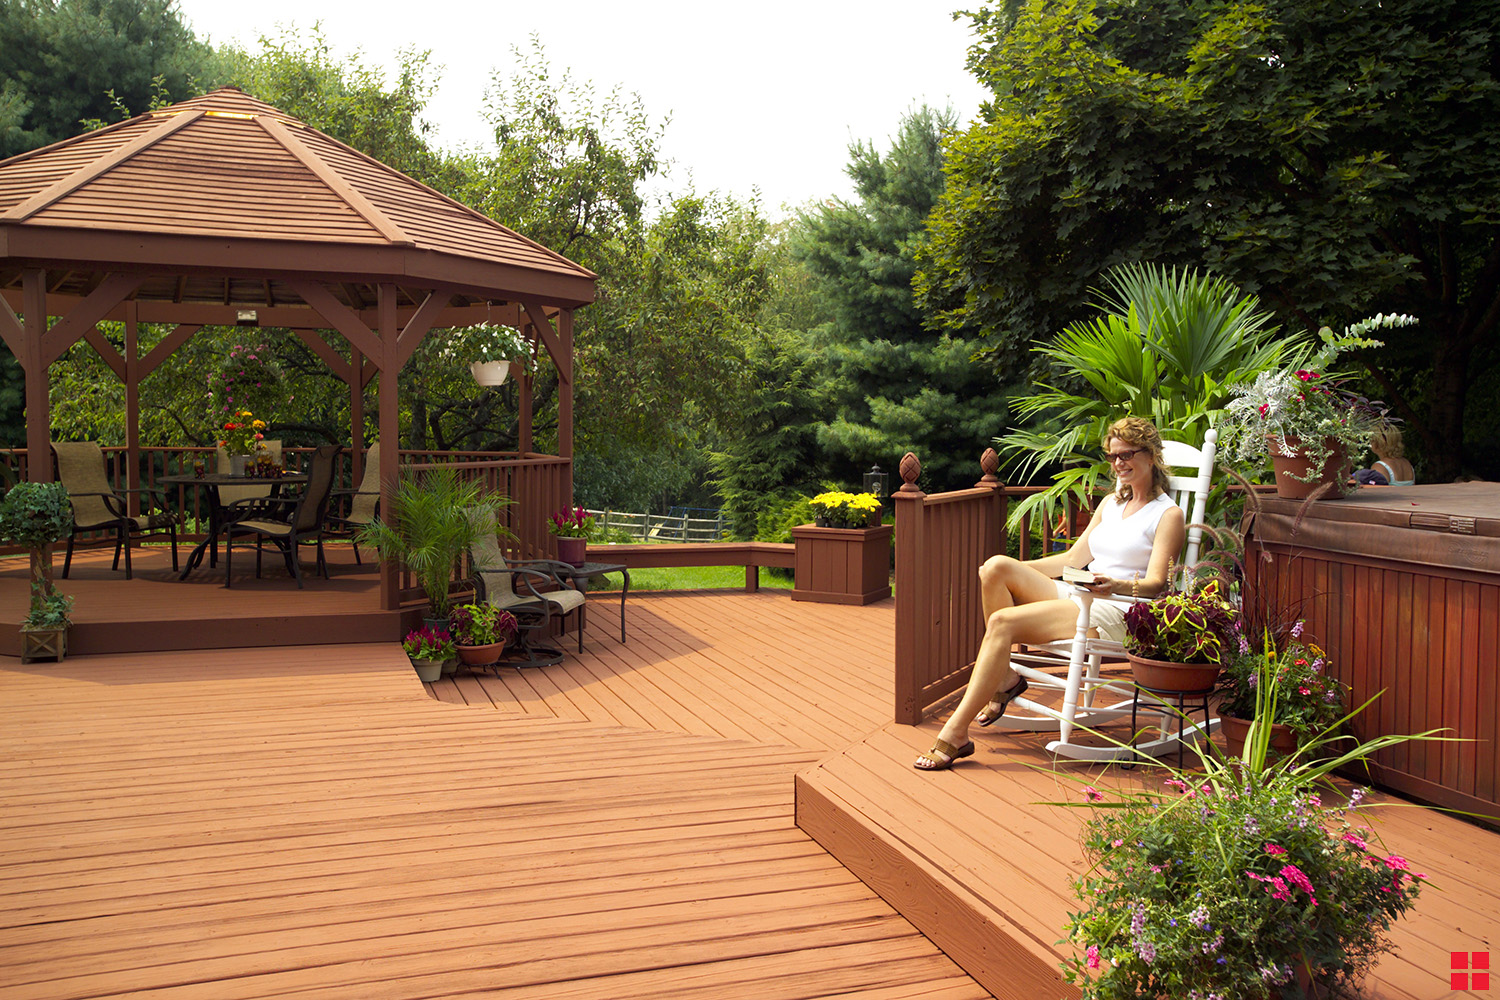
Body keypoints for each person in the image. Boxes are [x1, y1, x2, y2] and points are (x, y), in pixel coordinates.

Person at [914, 416, 1187, 770]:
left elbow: (1157, 585)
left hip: (1117, 607)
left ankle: (956, 732)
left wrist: (1113, 585)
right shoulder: (1110, 505)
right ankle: (1006, 679)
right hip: (1082, 592)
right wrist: (1018, 568)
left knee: (1001, 622)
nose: (1118, 463)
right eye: (1113, 456)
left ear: (1150, 455)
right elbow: (1074, 559)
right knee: (995, 567)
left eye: (1127, 454)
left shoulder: (1168, 514)